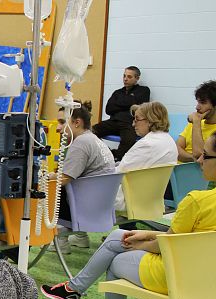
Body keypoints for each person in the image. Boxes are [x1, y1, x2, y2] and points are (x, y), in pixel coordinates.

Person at [41, 132, 216, 299]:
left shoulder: (196, 201)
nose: (199, 160)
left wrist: (140, 244)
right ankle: (73, 290)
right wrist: (146, 234)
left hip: (175, 277)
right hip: (207, 281)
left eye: (205, 155)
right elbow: (189, 239)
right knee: (118, 236)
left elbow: (167, 246)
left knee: (116, 260)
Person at [52, 101, 116, 254]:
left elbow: (64, 179)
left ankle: (60, 240)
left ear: (77, 123)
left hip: (85, 208)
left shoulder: (81, 143)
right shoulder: (95, 140)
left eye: (62, 122)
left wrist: (43, 178)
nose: (58, 128)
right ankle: (80, 237)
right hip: (102, 207)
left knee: (46, 189)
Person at [113, 101, 178, 211]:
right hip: (152, 200)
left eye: (137, 119)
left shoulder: (147, 144)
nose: (133, 124)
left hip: (130, 199)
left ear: (150, 120)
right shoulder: (169, 141)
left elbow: (118, 174)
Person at [93, 66, 151, 161]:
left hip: (129, 123)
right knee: (91, 132)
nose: (125, 79)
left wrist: (118, 104)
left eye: (129, 77)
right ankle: (107, 153)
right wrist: (129, 103)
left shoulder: (143, 90)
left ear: (137, 78)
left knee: (128, 141)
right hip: (114, 122)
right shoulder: (117, 92)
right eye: (124, 76)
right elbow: (108, 109)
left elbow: (138, 107)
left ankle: (116, 157)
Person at [176, 80, 216, 163]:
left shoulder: (196, 121)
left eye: (203, 103)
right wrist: (193, 158)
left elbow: (202, 155)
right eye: (198, 102)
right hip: (179, 168)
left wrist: (197, 122)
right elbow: (176, 150)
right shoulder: (194, 121)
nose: (197, 107)